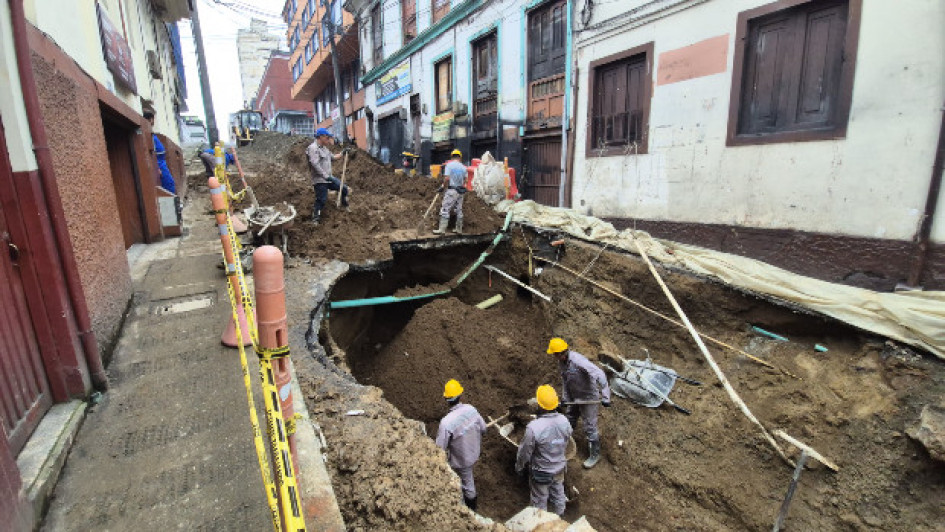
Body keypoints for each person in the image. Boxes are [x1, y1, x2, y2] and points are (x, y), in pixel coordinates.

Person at [546, 337, 612, 469]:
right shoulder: (562, 363)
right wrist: (565, 399)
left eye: (554, 354)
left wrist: (606, 396)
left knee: (589, 426)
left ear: (560, 353)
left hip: (588, 397)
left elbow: (600, 374)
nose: (554, 356)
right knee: (570, 418)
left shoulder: (578, 361)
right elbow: (566, 381)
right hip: (574, 396)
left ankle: (595, 454)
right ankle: (562, 442)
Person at [515, 385, 573, 516]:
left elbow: (524, 452)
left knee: (539, 500)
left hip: (541, 471)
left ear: (540, 406)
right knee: (558, 493)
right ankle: (561, 519)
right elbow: (567, 440)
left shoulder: (533, 428)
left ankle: (542, 523)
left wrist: (519, 467)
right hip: (559, 468)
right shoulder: (564, 421)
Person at [435, 379, 487, 511]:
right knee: (466, 475)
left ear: (446, 399)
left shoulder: (446, 423)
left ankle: (470, 509)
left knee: (467, 482)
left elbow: (439, 448)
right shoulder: (471, 409)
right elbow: (484, 429)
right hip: (474, 452)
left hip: (462, 459)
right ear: (461, 395)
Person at [306, 127, 352, 224]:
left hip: (328, 178)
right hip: (320, 180)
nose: (328, 139)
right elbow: (315, 165)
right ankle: (315, 217)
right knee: (322, 199)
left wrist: (343, 153)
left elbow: (333, 157)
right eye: (327, 137)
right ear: (321, 137)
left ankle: (344, 204)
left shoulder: (325, 149)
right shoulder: (313, 148)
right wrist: (326, 176)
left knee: (343, 188)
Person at [432, 149, 467, 235]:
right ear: (460, 157)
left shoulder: (449, 165)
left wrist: (443, 186)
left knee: (445, 208)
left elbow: (447, 178)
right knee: (459, 210)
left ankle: (442, 230)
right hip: (460, 191)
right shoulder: (463, 167)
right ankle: (459, 229)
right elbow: (466, 180)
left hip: (452, 190)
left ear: (452, 157)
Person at [144, 111, 176, 194]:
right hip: (159, 163)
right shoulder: (147, 134)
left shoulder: (151, 133)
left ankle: (173, 203)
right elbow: (149, 153)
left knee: (170, 183)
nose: (153, 121)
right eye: (153, 119)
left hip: (161, 162)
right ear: (150, 119)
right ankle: (170, 205)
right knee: (168, 184)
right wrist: (157, 168)